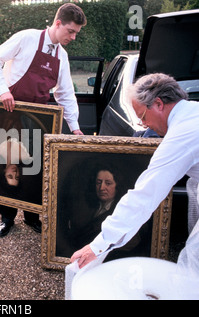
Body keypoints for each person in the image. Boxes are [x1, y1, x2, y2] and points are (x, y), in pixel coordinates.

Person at [71, 73, 199, 269]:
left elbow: (144, 195)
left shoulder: (181, 135)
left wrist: (97, 246)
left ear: (158, 104)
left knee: (193, 264)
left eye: (142, 117)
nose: (144, 125)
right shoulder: (193, 111)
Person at [0, 3, 86, 237]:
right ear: (58, 23)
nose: (73, 37)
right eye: (70, 31)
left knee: (34, 168)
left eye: (76, 34)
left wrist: (75, 127)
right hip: (10, 114)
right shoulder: (27, 38)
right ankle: (7, 218)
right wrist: (3, 91)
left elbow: (65, 94)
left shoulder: (62, 55)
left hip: (38, 119)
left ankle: (32, 216)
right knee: (8, 164)